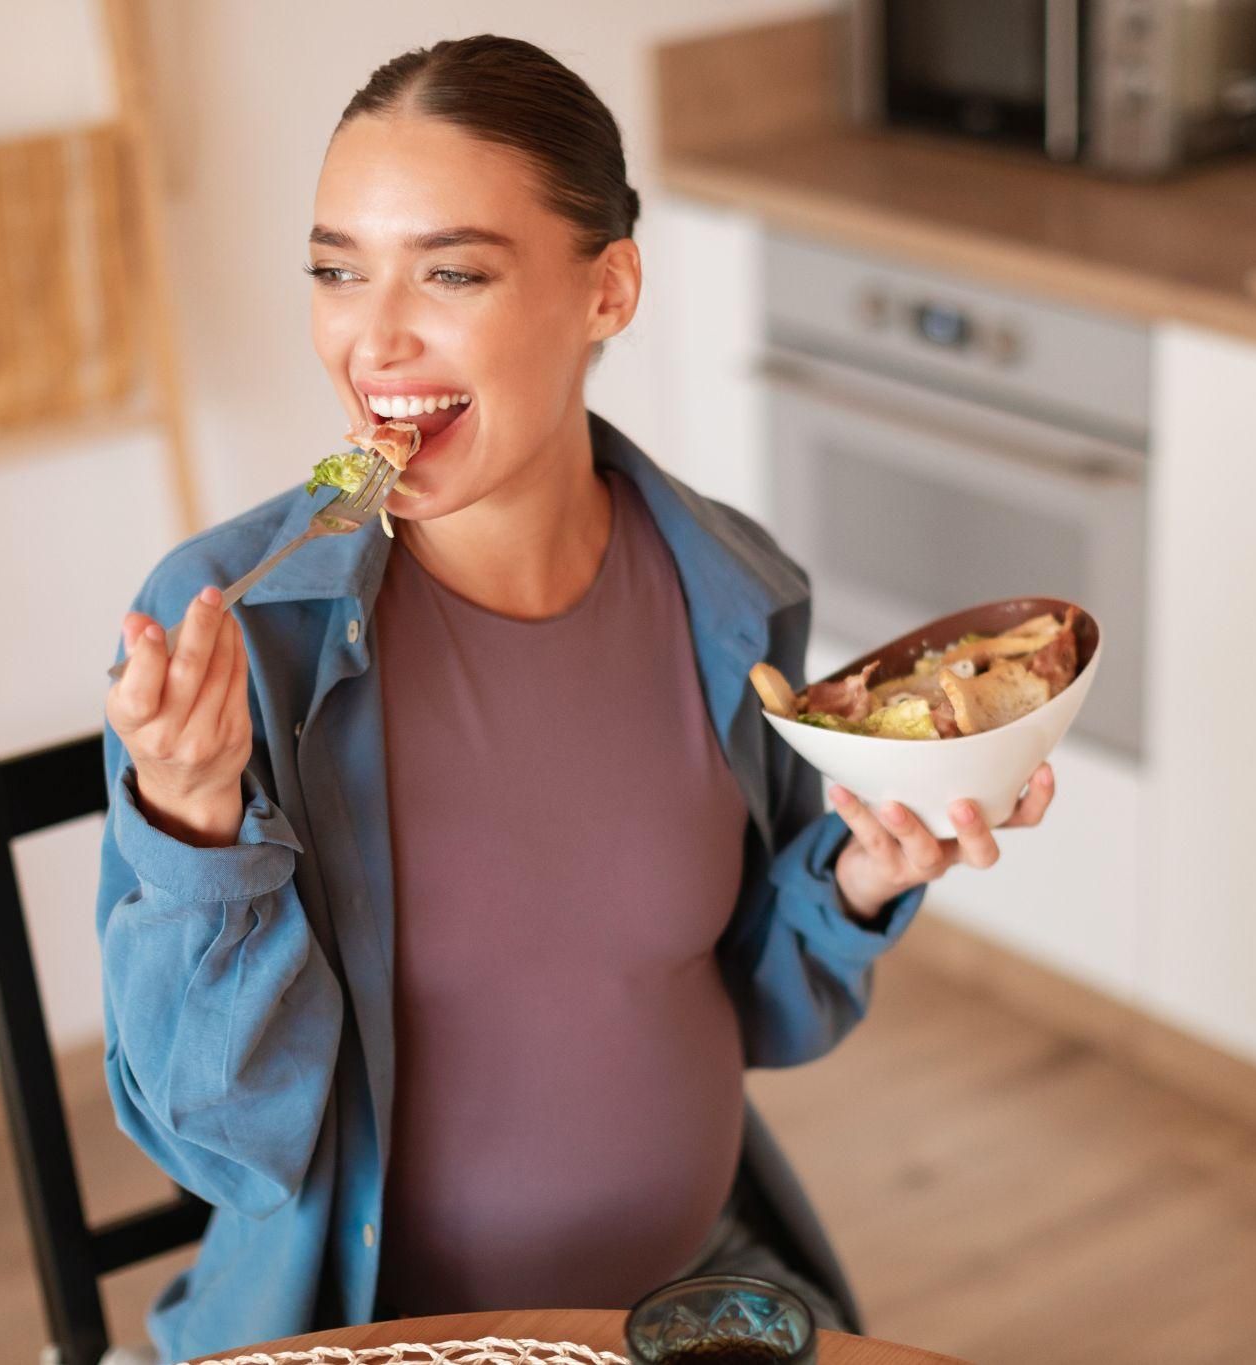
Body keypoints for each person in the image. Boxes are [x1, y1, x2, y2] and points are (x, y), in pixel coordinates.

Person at [97, 35, 1055, 1364]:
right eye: (335, 270)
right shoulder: (246, 631)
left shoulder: (733, 592)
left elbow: (767, 1009)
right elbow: (218, 1139)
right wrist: (194, 825)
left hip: (695, 1302)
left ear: (607, 289)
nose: (373, 339)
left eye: (452, 272)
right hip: (380, 1334)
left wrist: (857, 886)